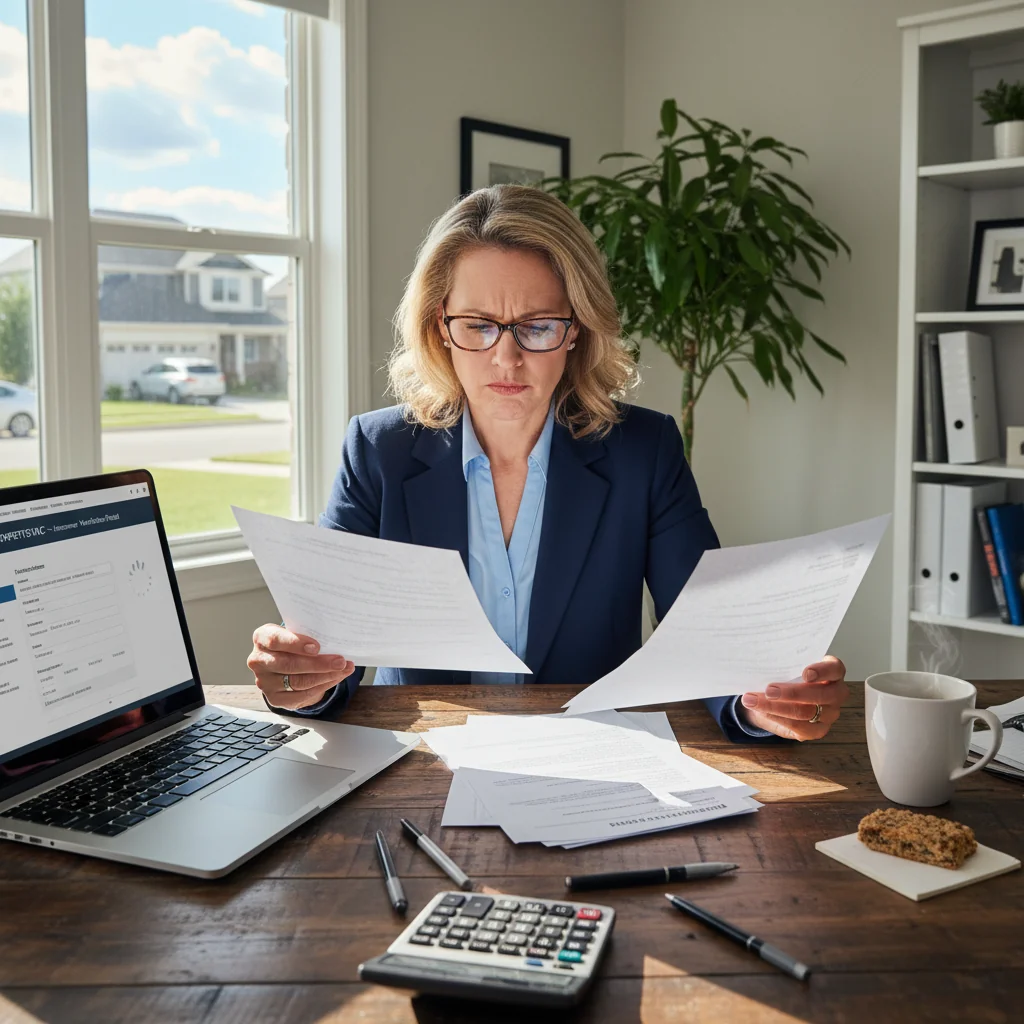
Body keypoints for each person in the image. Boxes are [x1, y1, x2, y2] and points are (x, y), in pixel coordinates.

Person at [247, 185, 848, 742]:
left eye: (536, 327)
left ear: (576, 332)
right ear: (441, 329)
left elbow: (710, 632)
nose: (505, 358)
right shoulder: (379, 451)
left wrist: (760, 701)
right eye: (478, 326)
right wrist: (300, 678)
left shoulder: (646, 450)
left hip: (594, 755)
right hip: (421, 757)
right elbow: (327, 651)